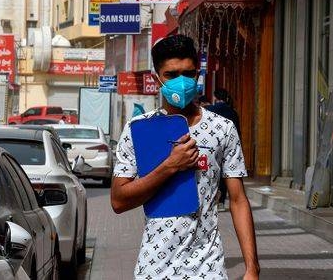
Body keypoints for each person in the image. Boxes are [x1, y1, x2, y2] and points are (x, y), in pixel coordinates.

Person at [110, 34, 259, 280]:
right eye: (171, 75)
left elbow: (238, 200)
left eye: (188, 74)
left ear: (198, 74)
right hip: (154, 268)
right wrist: (170, 166)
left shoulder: (222, 128)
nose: (181, 82)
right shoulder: (139, 129)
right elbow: (118, 201)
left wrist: (252, 268)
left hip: (208, 267)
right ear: (156, 78)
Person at [207, 88, 242, 211]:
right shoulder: (233, 112)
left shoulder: (210, 110)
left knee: (213, 173)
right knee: (226, 175)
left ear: (215, 97)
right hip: (228, 147)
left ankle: (212, 199)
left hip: (212, 147)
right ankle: (221, 201)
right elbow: (237, 133)